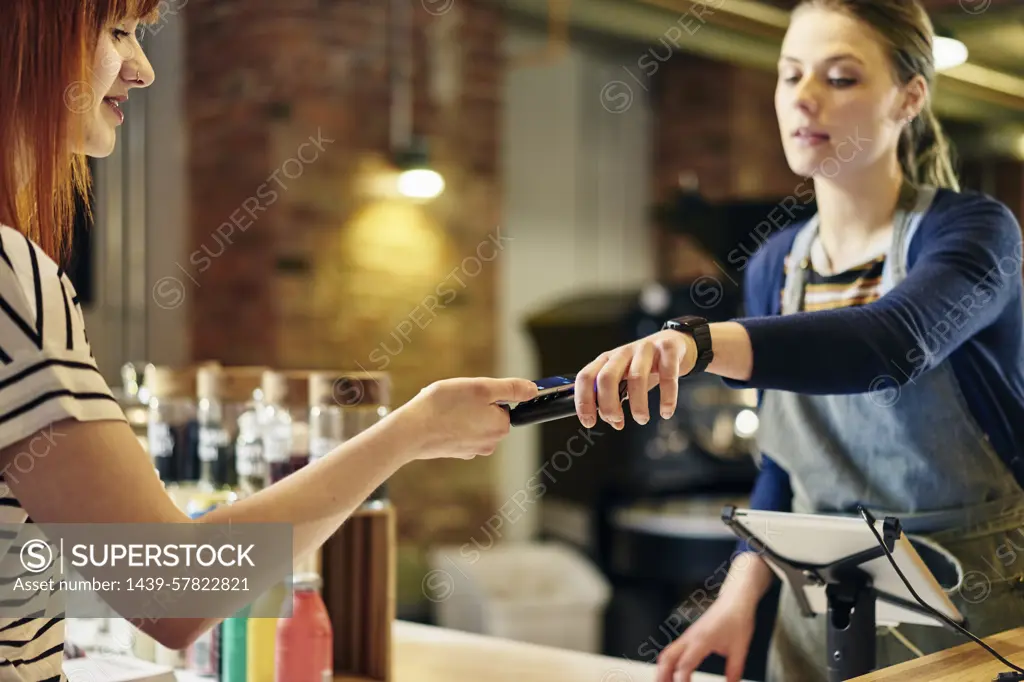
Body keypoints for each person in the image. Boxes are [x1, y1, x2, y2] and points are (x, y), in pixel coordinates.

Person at [0, 2, 537, 679]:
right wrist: (409, 434)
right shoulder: (12, 279)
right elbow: (168, 591)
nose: (142, 70)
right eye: (117, 32)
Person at [573, 0, 1024, 680]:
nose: (804, 100)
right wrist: (738, 596)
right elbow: (787, 461)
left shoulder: (973, 232)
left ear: (909, 98)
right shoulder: (775, 264)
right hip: (816, 619)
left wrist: (695, 344)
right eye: (790, 76)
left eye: (840, 78)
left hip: (971, 619)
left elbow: (889, 345)